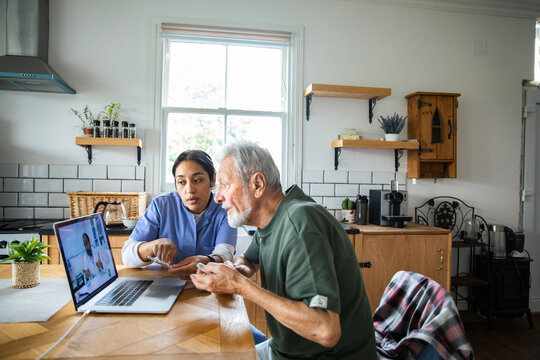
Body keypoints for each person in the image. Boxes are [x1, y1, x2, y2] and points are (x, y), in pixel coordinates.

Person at [190, 142, 377, 360]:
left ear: (257, 184)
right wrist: (240, 267)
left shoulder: (300, 223)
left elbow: (326, 330)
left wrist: (240, 285)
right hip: (284, 350)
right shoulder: (271, 219)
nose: (217, 197)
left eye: (224, 185)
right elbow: (249, 260)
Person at [122, 149, 237, 279]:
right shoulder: (161, 206)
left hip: (207, 287)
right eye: (182, 182)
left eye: (197, 180)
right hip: (163, 285)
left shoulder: (225, 208)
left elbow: (225, 253)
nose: (190, 190)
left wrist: (206, 260)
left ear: (212, 179)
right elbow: (127, 256)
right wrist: (152, 246)